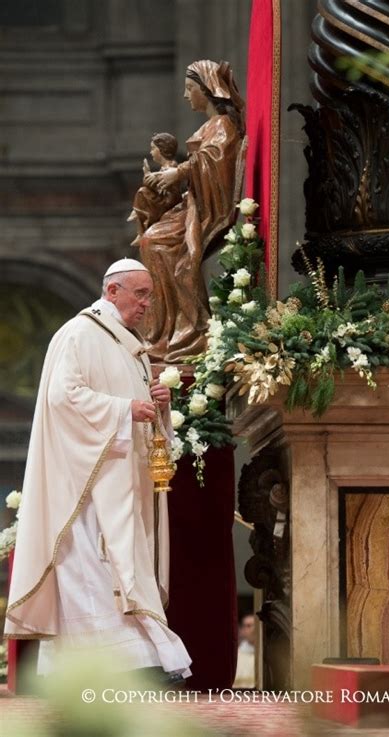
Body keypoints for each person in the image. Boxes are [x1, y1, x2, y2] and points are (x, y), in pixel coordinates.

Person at [4, 258, 192, 682]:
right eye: (140, 294)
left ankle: (138, 661)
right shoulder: (79, 334)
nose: (147, 304)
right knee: (94, 571)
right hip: (89, 486)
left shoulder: (131, 346)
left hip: (124, 479)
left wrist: (158, 401)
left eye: (150, 295)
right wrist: (124, 408)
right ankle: (125, 666)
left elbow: (137, 407)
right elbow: (62, 398)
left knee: (118, 569)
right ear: (112, 291)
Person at [137, 59, 246, 363]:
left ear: (206, 89)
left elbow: (215, 160)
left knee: (158, 244)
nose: (186, 96)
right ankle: (167, 331)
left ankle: (188, 331)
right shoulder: (210, 126)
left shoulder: (223, 125)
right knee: (151, 241)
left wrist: (180, 173)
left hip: (206, 208)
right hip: (194, 202)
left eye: (189, 89)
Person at [128, 132, 182, 246]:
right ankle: (140, 230)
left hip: (169, 202)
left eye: (153, 148)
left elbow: (165, 187)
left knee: (142, 193)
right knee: (142, 193)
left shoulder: (171, 167)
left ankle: (140, 230)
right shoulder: (164, 167)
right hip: (164, 198)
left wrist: (149, 177)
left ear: (162, 149)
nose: (150, 152)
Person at [233, 613, 256, 688]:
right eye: (248, 626)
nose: (253, 629)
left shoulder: (267, 655)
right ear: (241, 630)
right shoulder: (235, 657)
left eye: (255, 625)